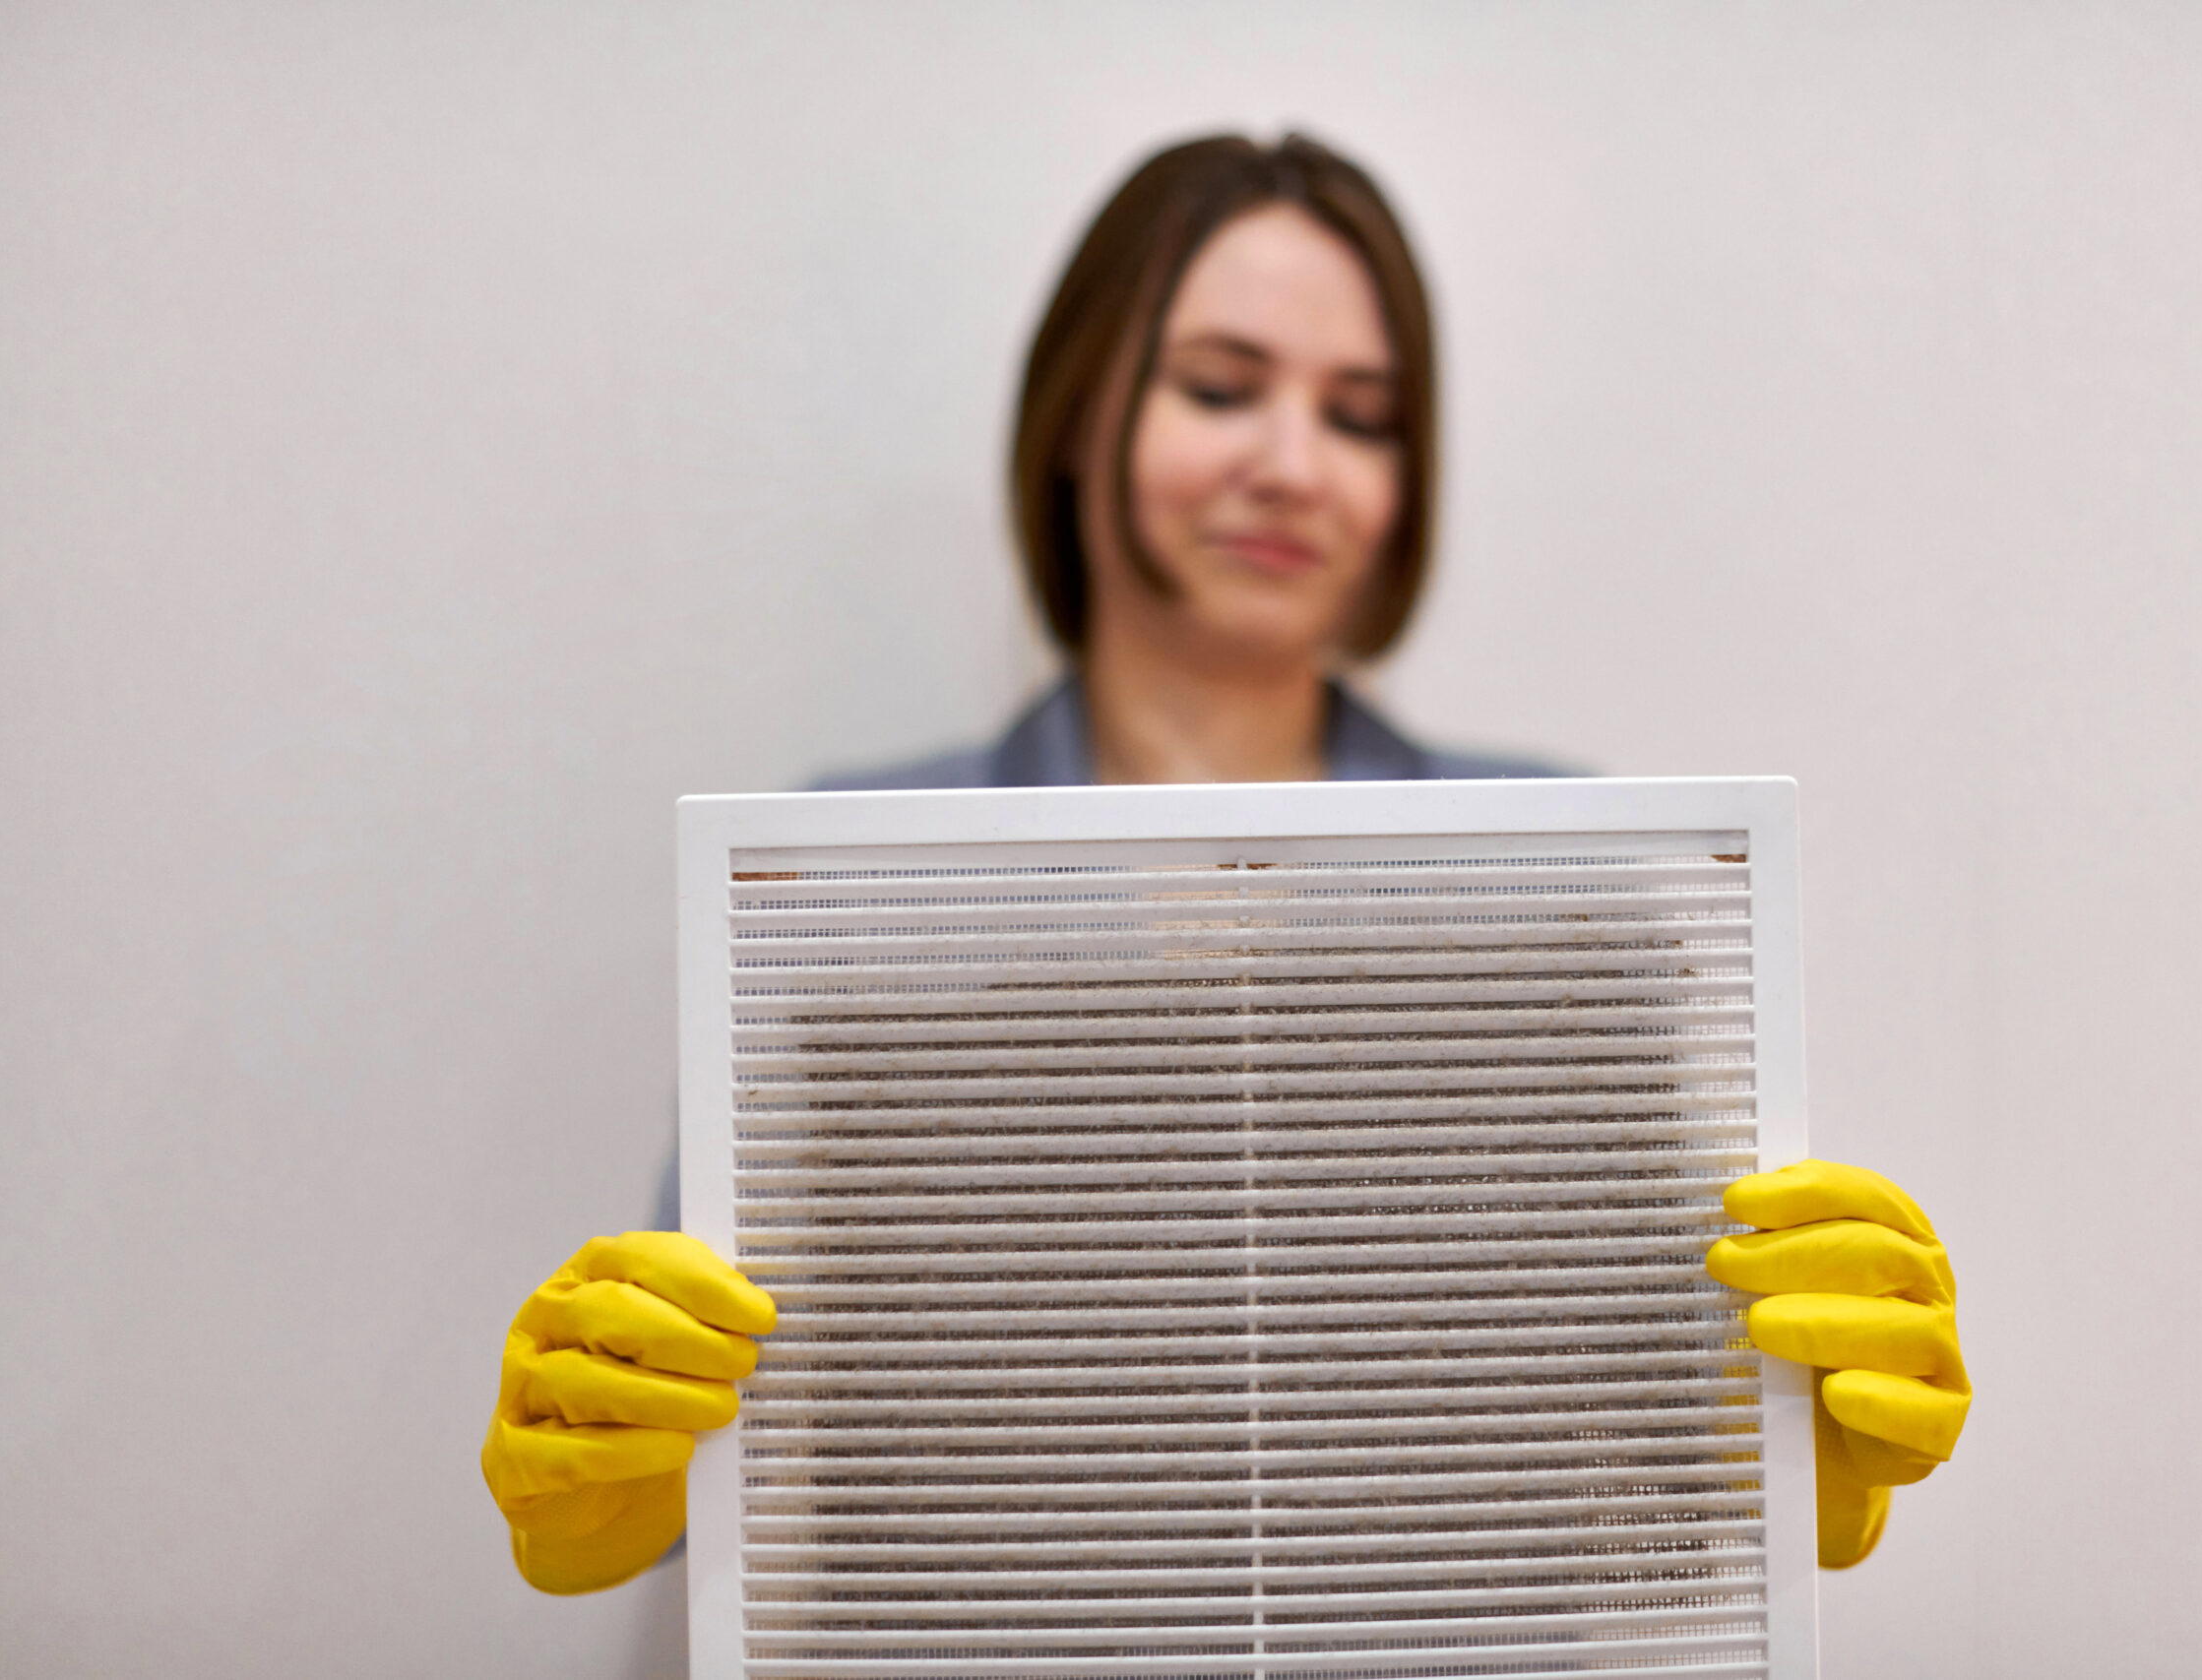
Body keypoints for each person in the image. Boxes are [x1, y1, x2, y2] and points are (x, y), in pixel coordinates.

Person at [480, 133, 1972, 1596]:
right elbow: (726, 1448)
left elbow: (1632, 1457)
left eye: (1365, 416)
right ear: (1078, 413)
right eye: (1219, 387)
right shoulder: (830, 902)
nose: (1291, 464)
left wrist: (1780, 1450)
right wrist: (614, 1455)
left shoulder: (1569, 890)